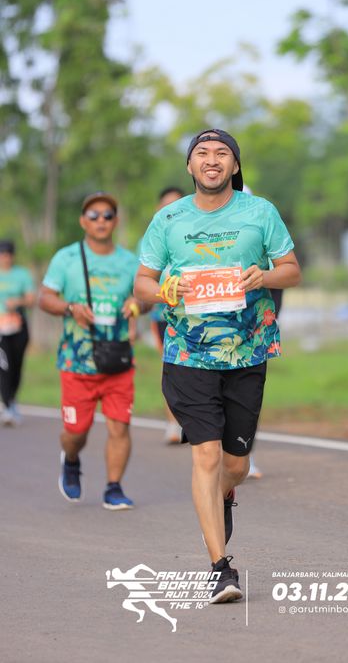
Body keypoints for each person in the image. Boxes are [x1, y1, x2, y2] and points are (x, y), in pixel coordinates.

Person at [134, 128, 301, 603]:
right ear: (190, 166)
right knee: (205, 455)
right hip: (188, 353)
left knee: (236, 465)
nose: (212, 160)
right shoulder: (169, 219)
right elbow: (142, 283)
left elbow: (292, 270)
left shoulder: (260, 212)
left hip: (246, 352)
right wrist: (166, 290)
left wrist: (263, 276)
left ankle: (226, 493)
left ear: (234, 165)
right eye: (202, 153)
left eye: (222, 153)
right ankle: (220, 568)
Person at [39, 192, 147, 510]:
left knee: (119, 426)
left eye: (108, 215)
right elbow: (45, 298)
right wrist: (70, 308)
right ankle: (71, 458)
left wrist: (137, 304)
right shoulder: (66, 258)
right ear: (83, 221)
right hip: (77, 361)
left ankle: (114, 487)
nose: (101, 220)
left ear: (116, 221)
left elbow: (146, 297)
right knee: (76, 431)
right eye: (94, 215)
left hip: (118, 358)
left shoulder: (129, 261)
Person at [149, 186, 185, 445]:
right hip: (163, 317)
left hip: (195, 315)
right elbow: (141, 281)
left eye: (177, 204)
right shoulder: (152, 238)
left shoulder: (197, 234)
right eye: (166, 205)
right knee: (171, 369)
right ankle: (173, 423)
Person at [0, 240, 35, 426]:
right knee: (4, 366)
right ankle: (7, 406)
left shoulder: (22, 274)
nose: (5, 257)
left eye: (8, 254)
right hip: (0, 329)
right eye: (2, 254)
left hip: (18, 326)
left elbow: (31, 299)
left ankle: (12, 400)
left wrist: (17, 302)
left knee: (16, 365)